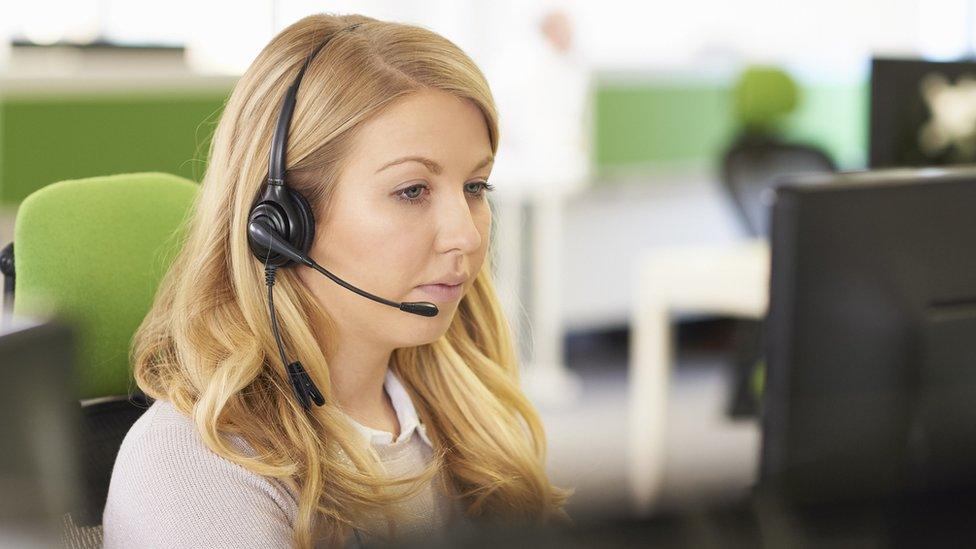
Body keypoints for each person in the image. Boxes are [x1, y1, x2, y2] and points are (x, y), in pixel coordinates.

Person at [102, 13, 569, 549]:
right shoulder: (202, 465)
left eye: (475, 186)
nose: (465, 235)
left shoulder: (466, 415)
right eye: (412, 190)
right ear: (281, 222)